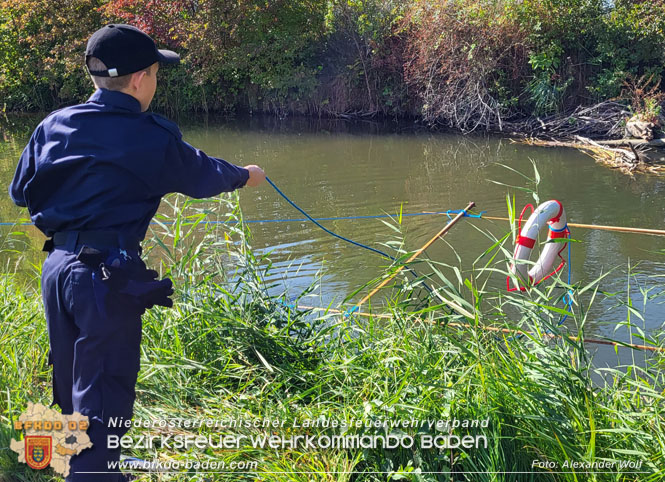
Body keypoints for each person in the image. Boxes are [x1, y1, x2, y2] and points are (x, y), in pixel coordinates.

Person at [9, 24, 265, 481]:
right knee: (104, 389)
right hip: (104, 277)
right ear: (141, 79)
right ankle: (97, 473)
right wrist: (246, 175)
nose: (155, 81)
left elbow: (19, 192)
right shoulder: (151, 136)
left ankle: (79, 462)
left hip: (58, 269)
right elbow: (203, 175)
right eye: (154, 73)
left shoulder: (53, 125)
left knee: (72, 378)